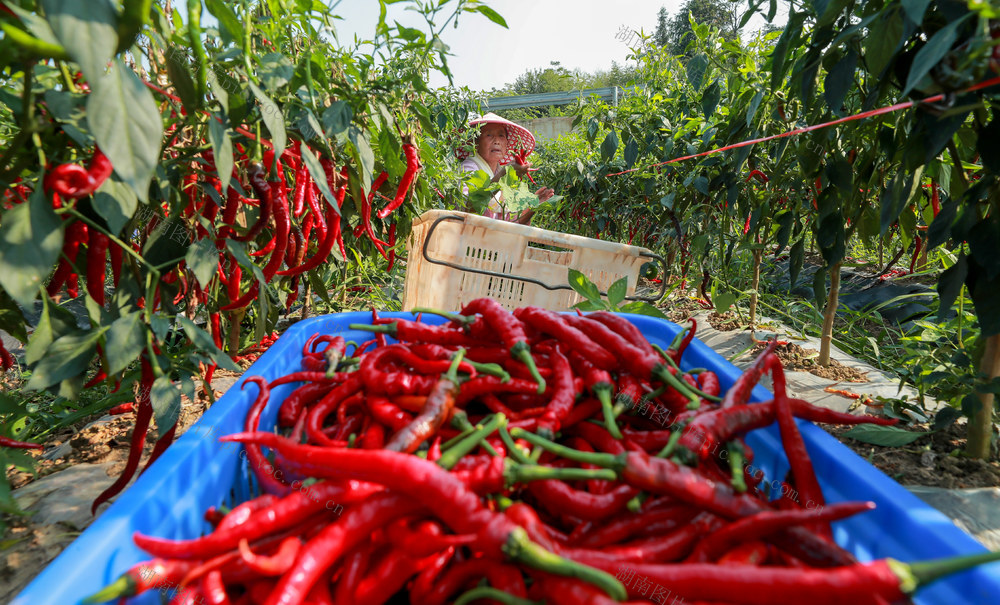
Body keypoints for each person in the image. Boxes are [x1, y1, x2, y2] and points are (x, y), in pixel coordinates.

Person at [456, 113, 555, 224]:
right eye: (489, 135)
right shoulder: (469, 168)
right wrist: (504, 174)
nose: (497, 141)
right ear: (476, 142)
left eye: (501, 136)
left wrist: (533, 206)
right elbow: (469, 208)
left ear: (507, 143)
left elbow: (511, 224)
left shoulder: (500, 173)